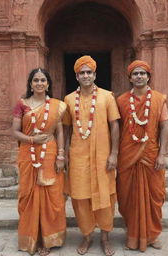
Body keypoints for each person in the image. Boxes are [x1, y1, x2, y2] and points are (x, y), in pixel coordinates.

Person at [63, 56, 120, 256]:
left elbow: (114, 125)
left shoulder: (107, 96)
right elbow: (67, 128)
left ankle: (105, 238)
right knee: (79, 198)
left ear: (95, 75)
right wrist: (65, 153)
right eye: (82, 73)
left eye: (89, 72)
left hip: (103, 156)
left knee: (106, 197)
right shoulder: (69, 99)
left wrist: (114, 154)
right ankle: (87, 236)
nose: (86, 75)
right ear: (76, 76)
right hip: (78, 157)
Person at [11, 68, 66, 256]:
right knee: (28, 194)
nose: (40, 83)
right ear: (31, 84)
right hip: (28, 153)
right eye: (36, 80)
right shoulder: (22, 104)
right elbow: (15, 132)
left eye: (43, 80)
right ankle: (31, 236)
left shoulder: (57, 105)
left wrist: (61, 156)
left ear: (48, 83)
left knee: (52, 195)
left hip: (50, 153)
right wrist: (33, 140)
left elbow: (59, 131)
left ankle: (48, 238)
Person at [116, 60, 168, 252]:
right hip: (127, 156)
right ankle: (133, 234)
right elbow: (116, 129)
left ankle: (153, 235)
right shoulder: (121, 100)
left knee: (154, 196)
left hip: (151, 154)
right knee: (127, 196)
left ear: (148, 77)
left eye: (143, 73)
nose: (139, 77)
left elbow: (164, 126)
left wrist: (162, 154)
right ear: (130, 78)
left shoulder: (158, 99)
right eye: (135, 74)